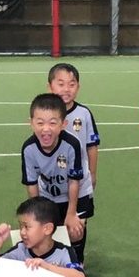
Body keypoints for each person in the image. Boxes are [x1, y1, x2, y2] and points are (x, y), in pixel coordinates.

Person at [19, 93, 91, 263]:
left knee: (75, 230)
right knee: (46, 231)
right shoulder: (28, 148)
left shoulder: (72, 144)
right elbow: (31, 184)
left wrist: (71, 213)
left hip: (77, 192)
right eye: (40, 123)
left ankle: (77, 264)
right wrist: (35, 214)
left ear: (63, 124)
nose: (46, 129)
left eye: (52, 123)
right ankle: (51, 265)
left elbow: (74, 181)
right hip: (48, 195)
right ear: (31, 123)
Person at [48, 62, 100, 194]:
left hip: (80, 180)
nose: (66, 89)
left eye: (71, 85)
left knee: (80, 208)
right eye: (61, 84)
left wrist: (93, 174)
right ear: (50, 87)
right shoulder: (45, 113)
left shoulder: (84, 113)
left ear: (78, 87)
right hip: (51, 181)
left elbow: (92, 146)